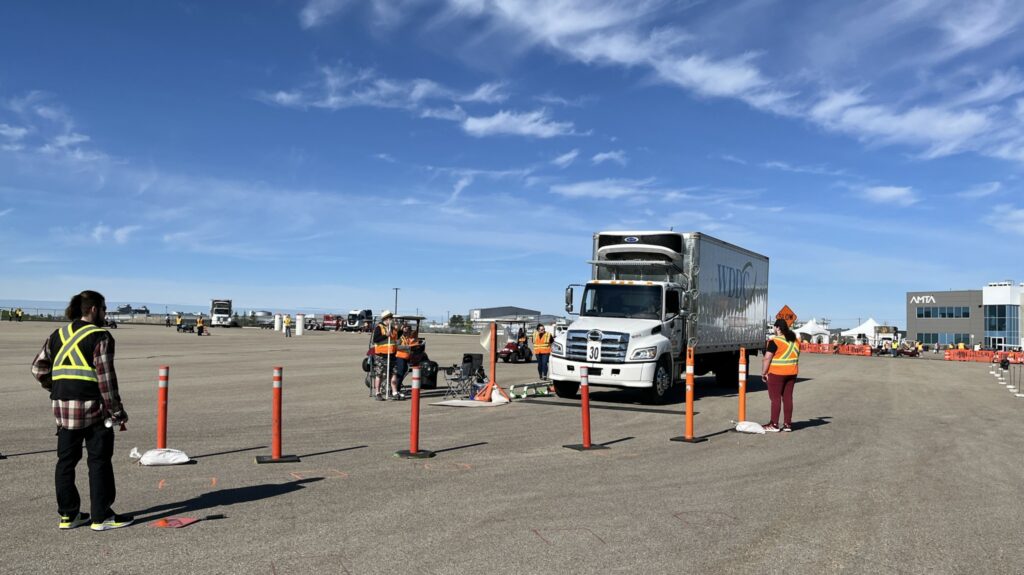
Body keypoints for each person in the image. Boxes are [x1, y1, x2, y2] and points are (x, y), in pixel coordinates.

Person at [31, 290, 133, 531]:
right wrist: (117, 411)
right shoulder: (100, 336)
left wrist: (56, 388)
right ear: (94, 309)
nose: (106, 314)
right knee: (98, 461)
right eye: (105, 309)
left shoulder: (57, 334)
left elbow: (38, 368)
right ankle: (101, 516)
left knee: (65, 462)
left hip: (62, 409)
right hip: (92, 409)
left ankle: (69, 515)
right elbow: (106, 380)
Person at [761, 318, 800, 433]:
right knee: (788, 398)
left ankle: (774, 424)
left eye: (774, 327)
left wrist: (764, 373)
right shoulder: (796, 341)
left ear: (778, 328)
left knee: (775, 398)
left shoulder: (775, 341)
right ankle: (788, 424)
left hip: (777, 373)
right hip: (792, 373)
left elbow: (767, 358)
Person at [371, 310, 404, 400]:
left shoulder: (393, 328)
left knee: (394, 374)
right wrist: (386, 335)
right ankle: (378, 393)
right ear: (386, 319)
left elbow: (396, 337)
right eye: (390, 318)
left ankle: (394, 392)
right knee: (379, 374)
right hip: (381, 355)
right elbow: (376, 339)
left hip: (392, 355)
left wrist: (401, 330)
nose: (392, 320)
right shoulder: (379, 327)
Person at [394, 324, 417, 388]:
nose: (407, 330)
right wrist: (408, 347)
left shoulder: (408, 338)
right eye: (405, 329)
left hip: (406, 358)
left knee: (403, 373)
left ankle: (397, 388)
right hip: (400, 357)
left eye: (408, 329)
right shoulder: (400, 337)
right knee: (400, 373)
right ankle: (396, 389)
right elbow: (397, 347)